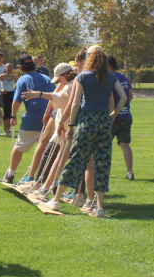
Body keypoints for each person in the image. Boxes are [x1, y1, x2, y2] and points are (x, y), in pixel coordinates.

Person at [45, 46, 128, 217]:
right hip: (104, 122)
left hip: (87, 121)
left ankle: (56, 200)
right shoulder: (110, 77)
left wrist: (71, 125)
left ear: (89, 58)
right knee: (102, 163)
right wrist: (113, 114)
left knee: (76, 159)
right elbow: (124, 98)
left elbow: (75, 104)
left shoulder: (82, 76)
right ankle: (99, 207)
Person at [0, 54, 55, 184]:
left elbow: (16, 101)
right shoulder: (47, 78)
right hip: (50, 118)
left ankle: (10, 174)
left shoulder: (22, 80)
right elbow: (54, 97)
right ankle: (41, 178)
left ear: (20, 67)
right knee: (44, 149)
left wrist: (13, 116)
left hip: (32, 117)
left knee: (19, 147)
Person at [20, 63, 75, 197]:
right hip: (61, 125)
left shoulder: (70, 86)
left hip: (66, 127)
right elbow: (56, 96)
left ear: (66, 75)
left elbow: (58, 98)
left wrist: (37, 94)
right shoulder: (68, 84)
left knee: (55, 157)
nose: (59, 82)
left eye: (60, 79)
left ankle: (44, 186)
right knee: (49, 153)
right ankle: (41, 183)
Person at [108, 56, 135, 180]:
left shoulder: (110, 78)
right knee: (125, 144)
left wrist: (113, 112)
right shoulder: (124, 77)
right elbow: (130, 96)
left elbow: (110, 98)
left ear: (109, 66)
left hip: (113, 116)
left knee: (106, 145)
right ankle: (129, 172)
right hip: (126, 115)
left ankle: (104, 171)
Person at [0, 63, 18, 134]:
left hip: (11, 94)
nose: (9, 68)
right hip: (4, 95)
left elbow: (19, 85)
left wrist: (15, 90)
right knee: (5, 112)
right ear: (5, 68)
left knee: (10, 113)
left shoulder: (14, 77)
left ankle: (8, 130)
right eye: (8, 67)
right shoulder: (2, 76)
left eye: (11, 67)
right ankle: (4, 130)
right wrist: (0, 90)